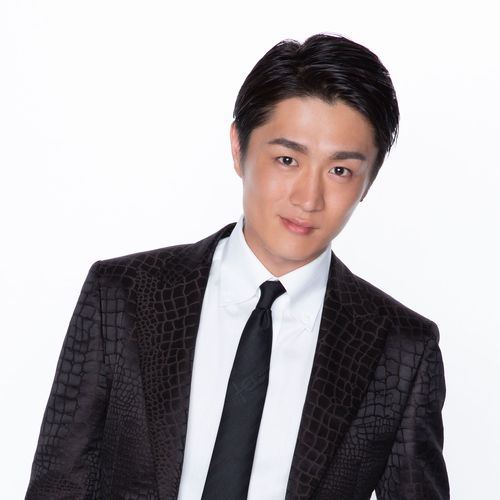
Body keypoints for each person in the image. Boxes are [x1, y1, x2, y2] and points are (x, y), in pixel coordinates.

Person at [26, 34, 449, 499]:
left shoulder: (401, 350)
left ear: (369, 181)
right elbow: (58, 484)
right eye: (287, 160)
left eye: (340, 171)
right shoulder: (122, 295)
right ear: (238, 148)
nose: (308, 198)